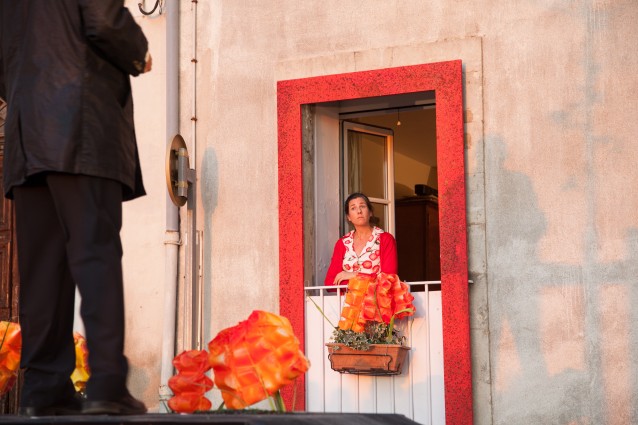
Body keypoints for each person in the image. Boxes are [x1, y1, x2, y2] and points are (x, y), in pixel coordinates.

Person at [0, 1, 151, 416]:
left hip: (26, 131)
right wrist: (139, 51)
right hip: (80, 123)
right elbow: (104, 19)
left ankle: (44, 389)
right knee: (95, 254)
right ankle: (106, 384)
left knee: (43, 268)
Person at [325, 193, 398, 286]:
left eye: (362, 206)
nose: (359, 211)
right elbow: (330, 283)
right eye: (353, 208)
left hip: (376, 300)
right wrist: (371, 280)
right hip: (347, 300)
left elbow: (389, 279)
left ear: (370, 212)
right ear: (349, 217)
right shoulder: (342, 243)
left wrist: (354, 275)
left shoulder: (385, 239)